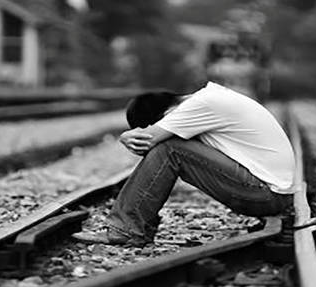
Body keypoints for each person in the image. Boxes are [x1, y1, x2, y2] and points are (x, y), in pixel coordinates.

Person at [72, 81, 297, 247]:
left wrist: (125, 136)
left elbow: (148, 139)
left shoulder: (202, 104)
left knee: (169, 148)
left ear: (167, 114)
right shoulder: (212, 97)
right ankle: (136, 225)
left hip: (265, 195)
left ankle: (126, 229)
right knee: (169, 147)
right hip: (271, 194)